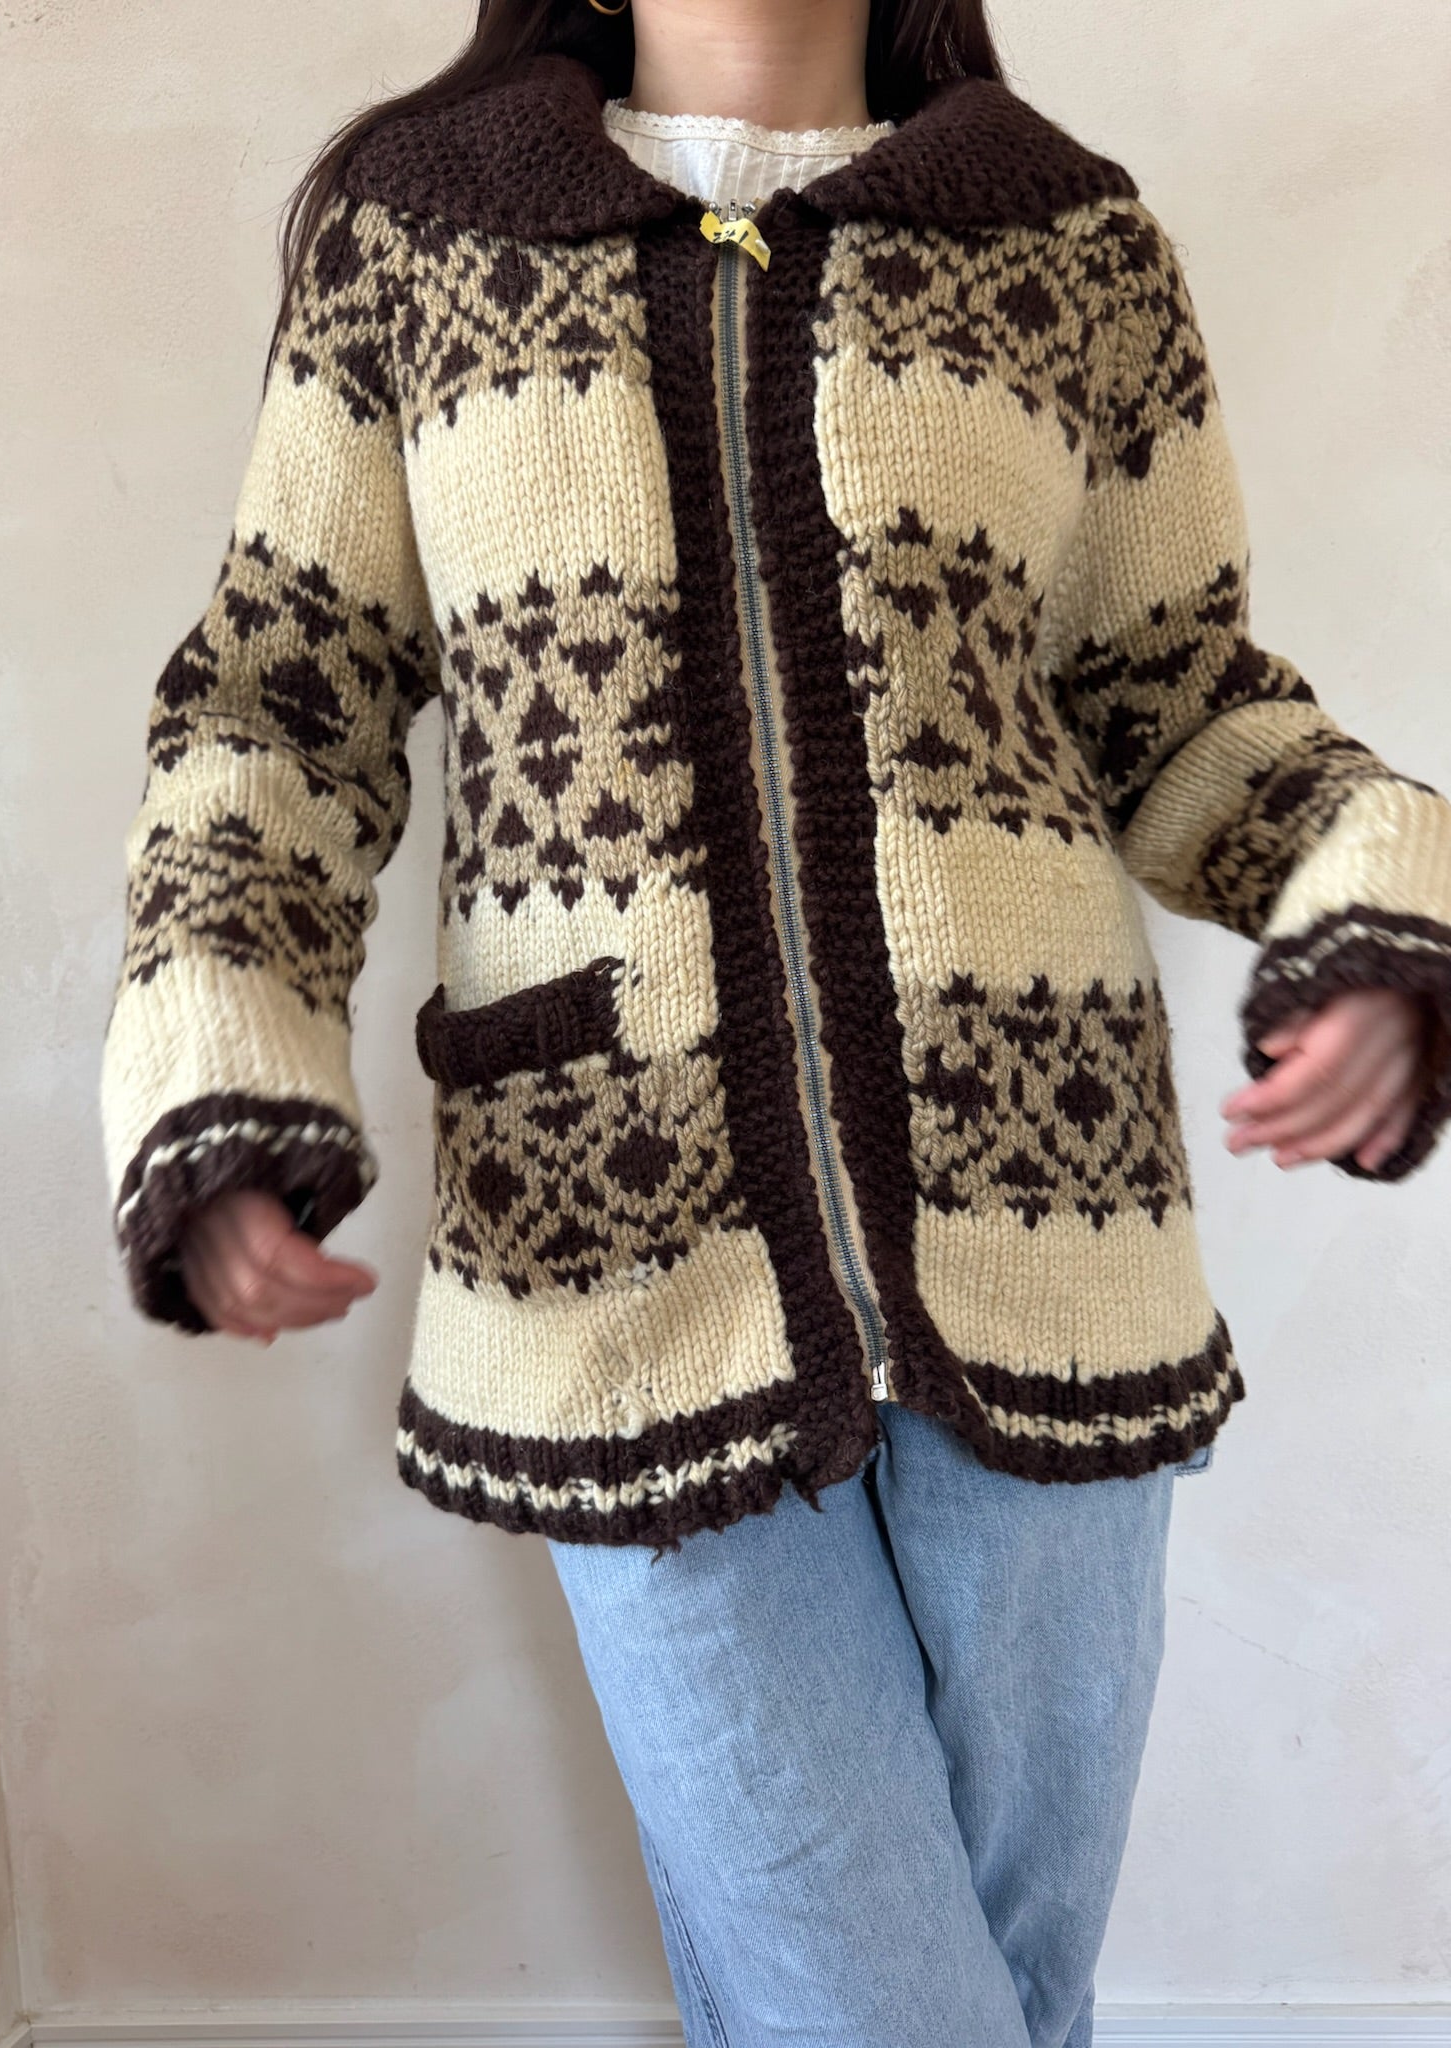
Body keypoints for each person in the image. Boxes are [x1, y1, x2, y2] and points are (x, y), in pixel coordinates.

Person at [98, 1, 1451, 2041]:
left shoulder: (1066, 242)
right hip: (615, 1247)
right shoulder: (420, 239)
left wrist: (1378, 922)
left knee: (1011, 1992)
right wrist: (220, 1071)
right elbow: (280, 711)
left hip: (1048, 1226)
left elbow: (1181, 705)